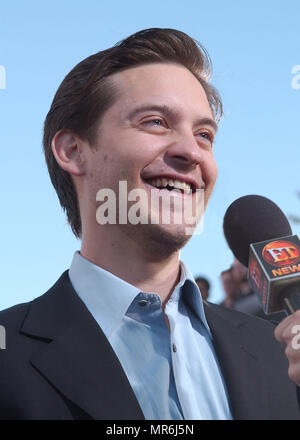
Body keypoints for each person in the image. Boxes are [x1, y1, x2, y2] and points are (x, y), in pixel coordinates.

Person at [0, 28, 299, 420]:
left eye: (205, 134)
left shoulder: (280, 353)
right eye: (156, 122)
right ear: (73, 151)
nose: (191, 152)